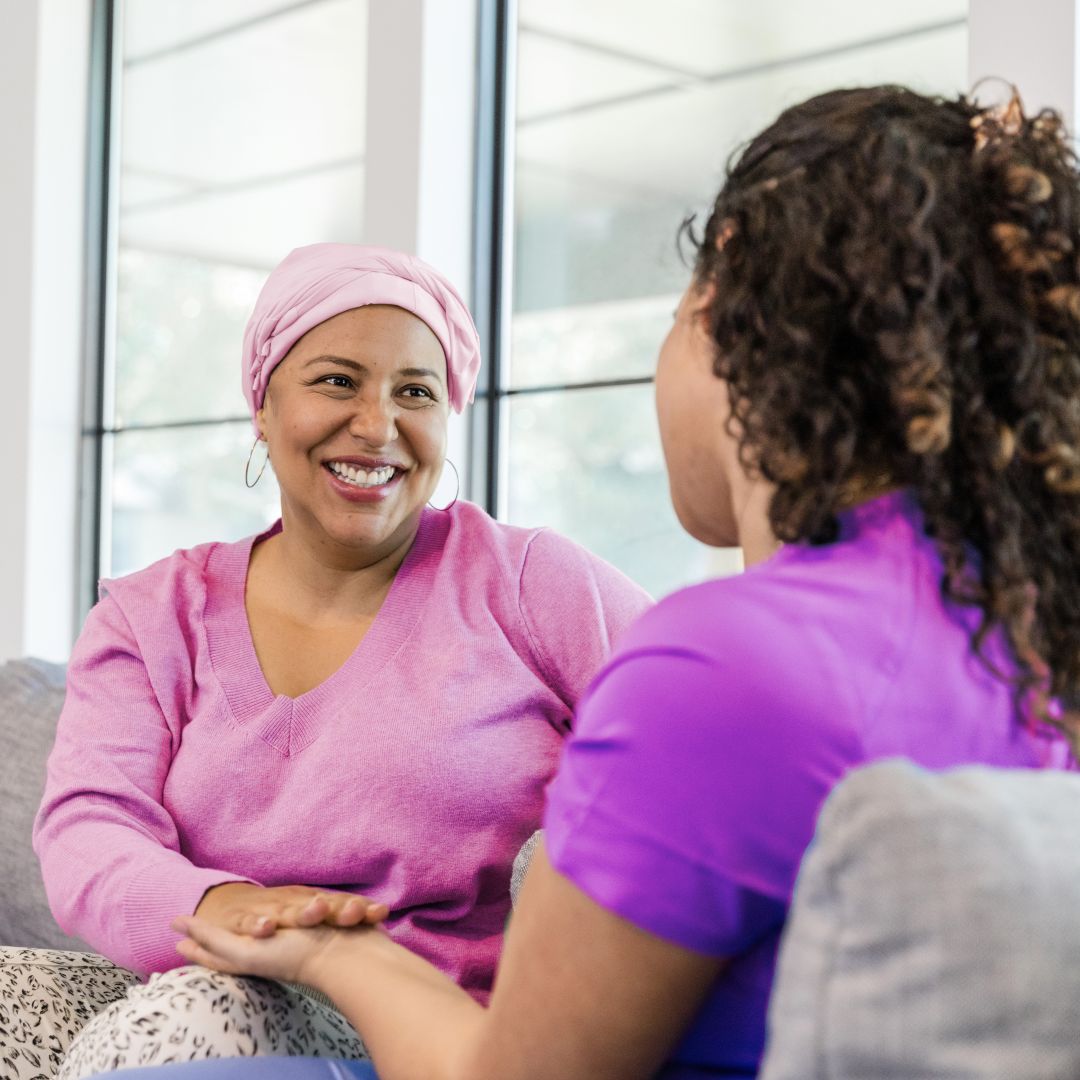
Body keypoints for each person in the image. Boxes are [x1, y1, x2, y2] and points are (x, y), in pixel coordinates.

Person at [77, 83, 1080, 1080]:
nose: (376, 422)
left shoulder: (712, 668)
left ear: (732, 316)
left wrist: (338, 949)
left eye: (676, 310)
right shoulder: (1029, 641)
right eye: (336, 379)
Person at [28, 244, 652, 1079]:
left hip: (429, 1027)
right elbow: (88, 832)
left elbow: (694, 734)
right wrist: (228, 907)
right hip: (202, 971)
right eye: (337, 380)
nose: (377, 425)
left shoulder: (535, 583)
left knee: (198, 1014)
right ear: (263, 403)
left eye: (415, 393)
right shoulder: (150, 617)